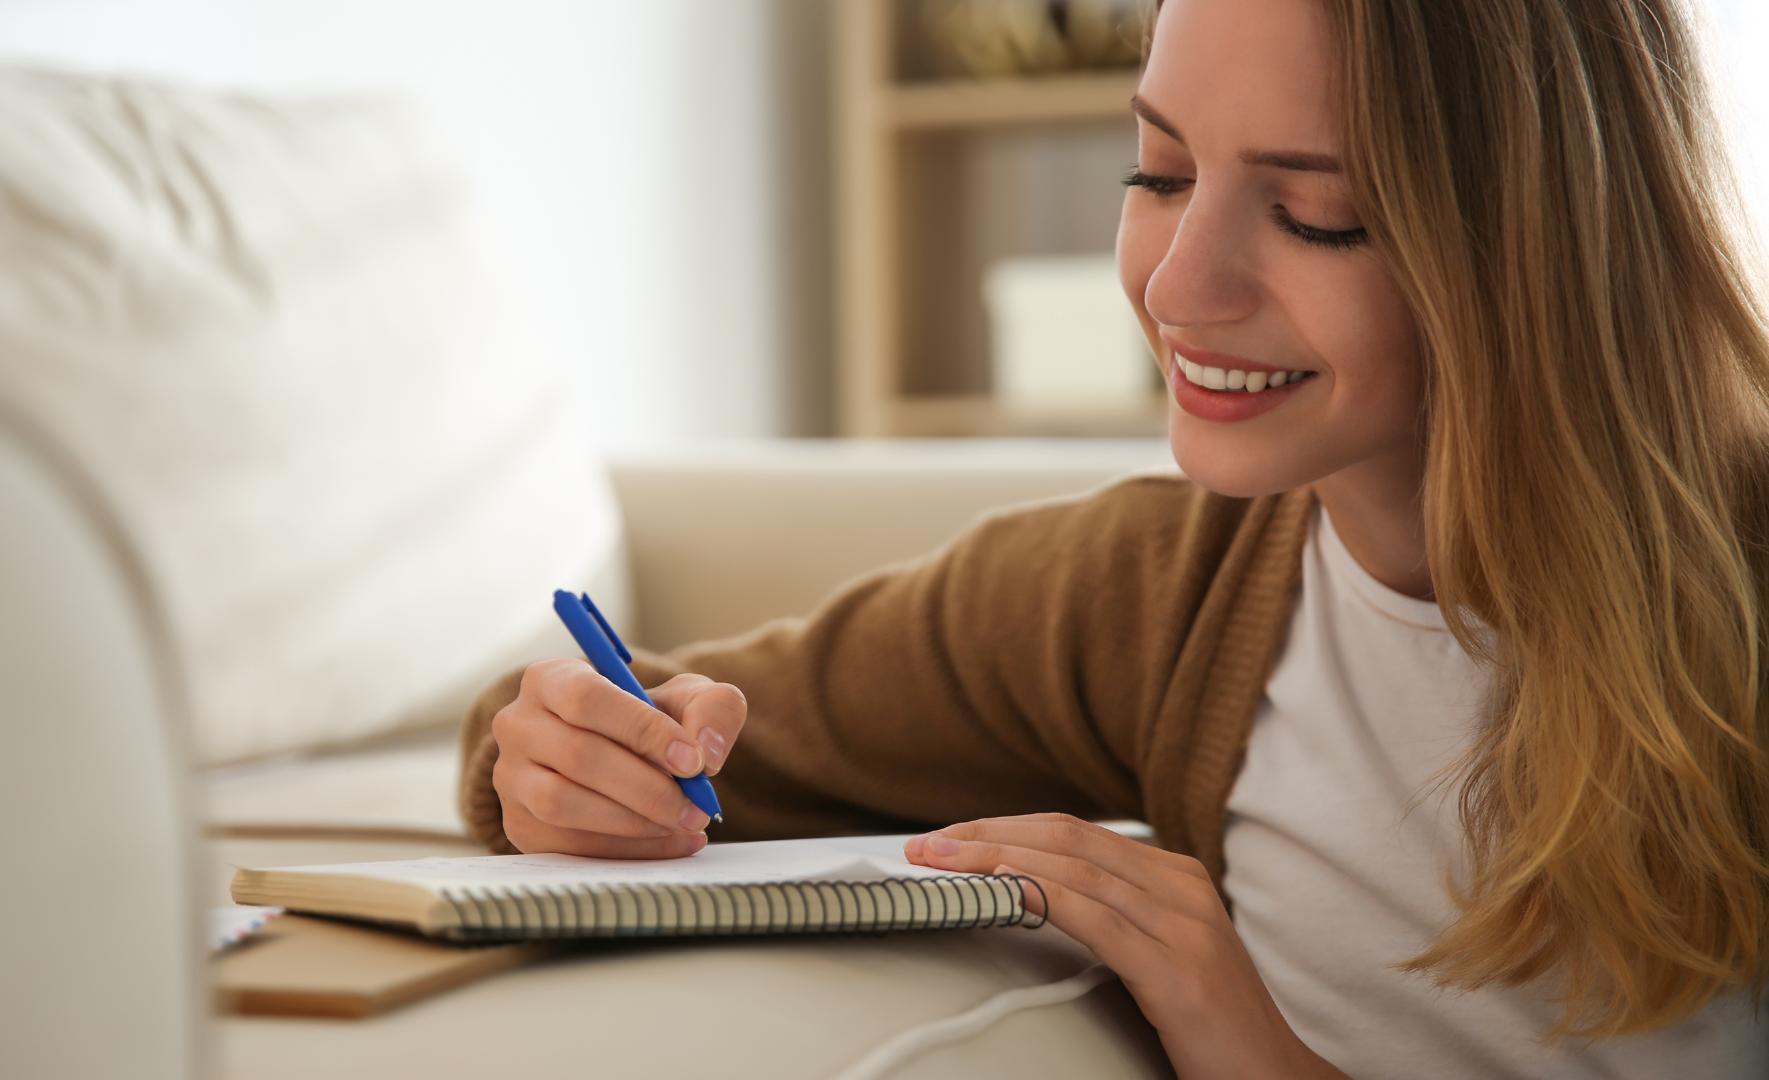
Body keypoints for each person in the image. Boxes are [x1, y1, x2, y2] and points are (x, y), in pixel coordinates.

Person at [459, 0, 1769, 1075]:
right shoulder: (1146, 597)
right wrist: (575, 765)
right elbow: (655, 724)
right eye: (1161, 172)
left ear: (1552, 241)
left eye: (1317, 213)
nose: (1179, 286)